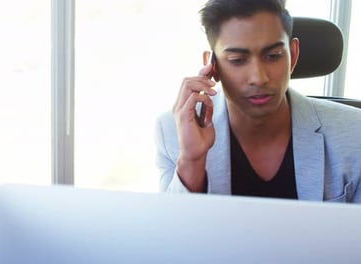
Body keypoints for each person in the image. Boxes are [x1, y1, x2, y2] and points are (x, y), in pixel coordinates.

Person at [155, 0, 361, 202]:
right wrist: (191, 161)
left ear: (293, 55)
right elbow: (173, 233)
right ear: (213, 66)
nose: (258, 77)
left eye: (273, 55)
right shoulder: (174, 132)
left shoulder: (354, 132)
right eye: (237, 60)